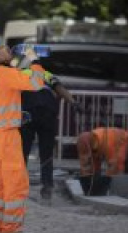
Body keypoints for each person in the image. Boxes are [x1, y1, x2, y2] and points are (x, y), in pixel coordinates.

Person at [0, 39, 50, 233]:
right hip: (8, 136)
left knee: (2, 184)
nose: (8, 50)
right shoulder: (5, 74)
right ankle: (11, 229)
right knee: (16, 183)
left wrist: (18, 115)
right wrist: (34, 61)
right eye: (3, 48)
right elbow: (36, 83)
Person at [20, 65, 81, 200]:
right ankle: (47, 186)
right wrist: (74, 102)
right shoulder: (46, 74)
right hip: (48, 111)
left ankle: (19, 187)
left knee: (23, 151)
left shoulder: (21, 73)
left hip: (28, 111)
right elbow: (60, 89)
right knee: (46, 151)